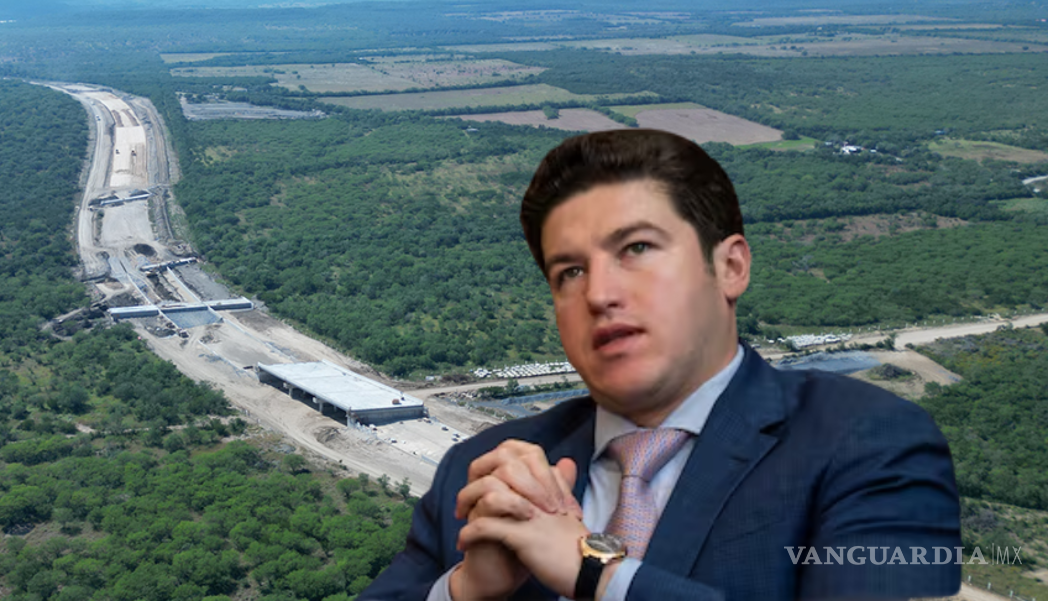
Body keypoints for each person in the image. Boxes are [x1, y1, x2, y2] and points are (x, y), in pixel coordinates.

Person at [361, 129, 961, 601]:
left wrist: (595, 573)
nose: (599, 294)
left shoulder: (870, 444)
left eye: (637, 249)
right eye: (570, 271)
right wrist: (465, 592)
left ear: (730, 267)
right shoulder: (481, 471)